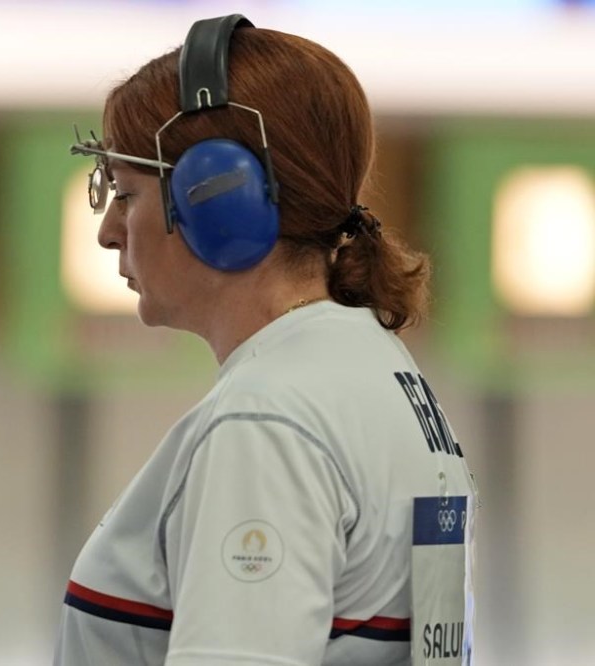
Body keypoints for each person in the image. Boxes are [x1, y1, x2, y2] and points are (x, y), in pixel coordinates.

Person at [57, 14, 477, 666]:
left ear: (219, 200)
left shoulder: (268, 418)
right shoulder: (372, 371)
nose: (109, 231)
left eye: (126, 191)